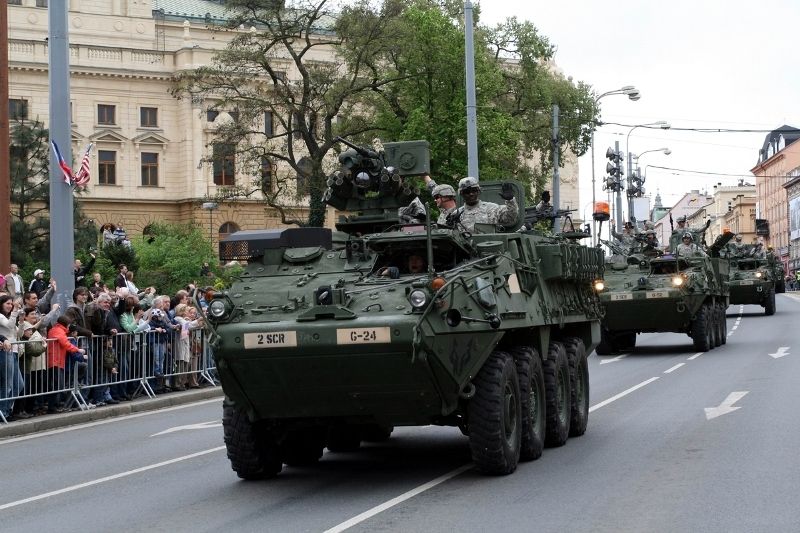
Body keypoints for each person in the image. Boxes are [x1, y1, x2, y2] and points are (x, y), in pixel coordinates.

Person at [448, 177, 518, 233]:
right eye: (467, 192)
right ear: (462, 194)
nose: (471, 194)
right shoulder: (456, 214)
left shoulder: (492, 208)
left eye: (474, 190)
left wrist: (510, 200)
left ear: (479, 191)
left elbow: (510, 218)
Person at [0, 294, 27, 421]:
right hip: (5, 352)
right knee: (7, 384)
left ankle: (7, 409)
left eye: (11, 304)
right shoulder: (0, 316)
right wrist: (15, 311)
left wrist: (21, 322)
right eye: (8, 304)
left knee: (19, 385)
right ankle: (3, 412)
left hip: (15, 352)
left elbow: (19, 334)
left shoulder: (10, 317)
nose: (10, 306)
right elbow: (10, 326)